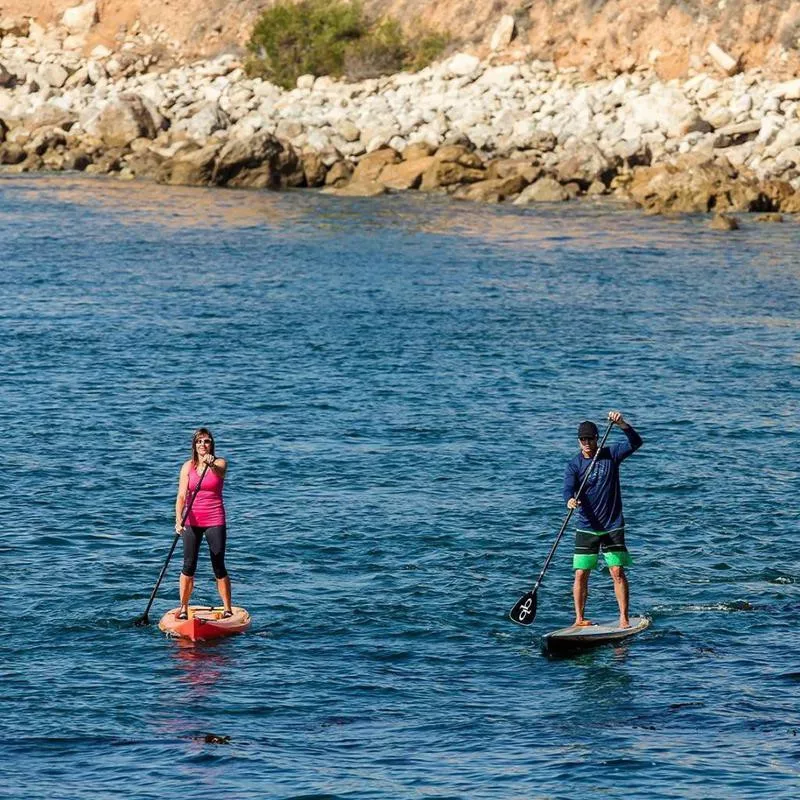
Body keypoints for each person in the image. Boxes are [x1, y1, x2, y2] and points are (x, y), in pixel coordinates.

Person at [563, 410, 642, 629]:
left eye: (590, 438)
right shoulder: (574, 465)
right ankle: (579, 618)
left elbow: (636, 442)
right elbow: (568, 487)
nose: (586, 443)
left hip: (612, 524)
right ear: (579, 441)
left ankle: (624, 618)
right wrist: (570, 499)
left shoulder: (611, 454)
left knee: (616, 571)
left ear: (597, 438)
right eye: (582, 439)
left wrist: (623, 424)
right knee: (580, 573)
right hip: (587, 526)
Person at [174, 427, 233, 620]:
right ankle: (183, 607)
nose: (203, 445)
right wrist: (178, 519)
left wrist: (212, 464)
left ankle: (227, 608)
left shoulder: (220, 463)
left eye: (206, 441)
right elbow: (181, 496)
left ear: (211, 445)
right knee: (188, 566)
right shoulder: (187, 467)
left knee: (218, 565)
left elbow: (221, 471)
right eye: (199, 441)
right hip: (191, 520)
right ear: (194, 445)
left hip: (215, 519)